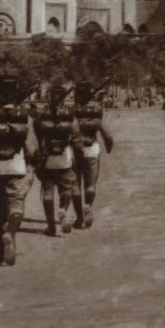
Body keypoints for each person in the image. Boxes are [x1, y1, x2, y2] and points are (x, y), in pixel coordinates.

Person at [0, 76, 37, 266]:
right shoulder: (23, 116)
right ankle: (10, 234)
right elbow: (31, 147)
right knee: (16, 207)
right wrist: (31, 164)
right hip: (17, 166)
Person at [33, 84, 79, 236]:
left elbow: (37, 137)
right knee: (67, 188)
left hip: (47, 159)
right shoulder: (69, 115)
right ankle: (63, 209)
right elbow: (76, 138)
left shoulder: (42, 116)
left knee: (47, 191)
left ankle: (51, 226)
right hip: (64, 158)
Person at [72, 82, 115, 229]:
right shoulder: (96, 112)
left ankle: (78, 218)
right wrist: (109, 147)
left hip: (74, 150)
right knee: (91, 184)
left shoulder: (72, 111)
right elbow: (107, 134)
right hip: (92, 150)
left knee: (75, 185)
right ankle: (88, 206)